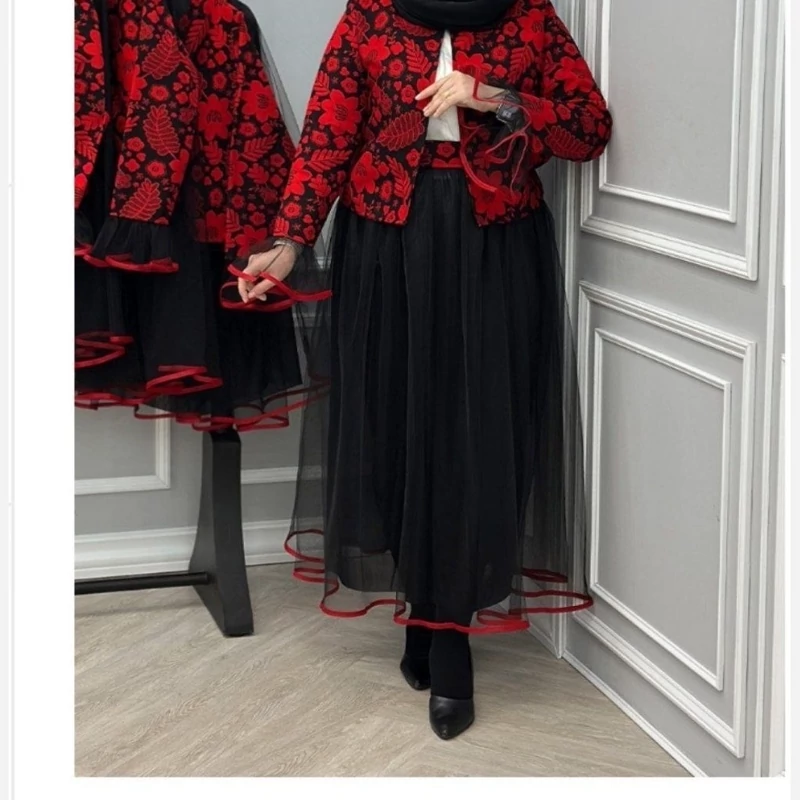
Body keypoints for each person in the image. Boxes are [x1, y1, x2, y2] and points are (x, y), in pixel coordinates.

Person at [236, 0, 612, 740]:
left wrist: (492, 96)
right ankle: (423, 607)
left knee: (474, 435)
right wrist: (288, 241)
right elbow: (327, 138)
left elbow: (587, 129)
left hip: (493, 247)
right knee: (397, 425)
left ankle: (448, 635)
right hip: (387, 247)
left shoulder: (527, 16)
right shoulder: (371, 15)